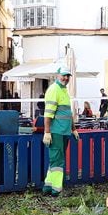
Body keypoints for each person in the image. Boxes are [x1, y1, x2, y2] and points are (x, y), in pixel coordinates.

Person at [41, 66, 76, 195]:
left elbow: (68, 113)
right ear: (58, 75)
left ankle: (48, 186)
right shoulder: (54, 90)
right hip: (56, 132)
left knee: (56, 160)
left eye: (68, 76)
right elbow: (48, 113)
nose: (66, 78)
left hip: (64, 131)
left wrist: (74, 129)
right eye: (64, 75)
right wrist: (47, 132)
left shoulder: (64, 90)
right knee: (58, 160)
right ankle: (56, 188)